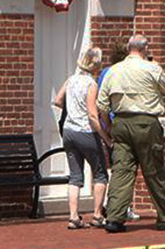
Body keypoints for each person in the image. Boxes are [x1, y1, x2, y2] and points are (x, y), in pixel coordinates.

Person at [96, 35, 165, 232]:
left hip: (121, 122)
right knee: (154, 170)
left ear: (128, 48)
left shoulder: (114, 70)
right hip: (146, 122)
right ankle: (164, 216)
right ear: (145, 49)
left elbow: (102, 104)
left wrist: (108, 126)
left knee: (121, 170)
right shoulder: (151, 68)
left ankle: (114, 218)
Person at [55, 46, 111, 229]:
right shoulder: (91, 84)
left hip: (69, 131)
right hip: (86, 132)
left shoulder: (71, 80)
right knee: (101, 173)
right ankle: (96, 215)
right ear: (95, 65)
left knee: (75, 176)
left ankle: (73, 217)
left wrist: (71, 110)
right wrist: (106, 138)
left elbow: (57, 100)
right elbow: (93, 116)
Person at [96, 43, 140, 222]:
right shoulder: (125, 72)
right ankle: (122, 206)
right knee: (126, 168)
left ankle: (112, 203)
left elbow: (101, 100)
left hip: (108, 124)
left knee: (114, 165)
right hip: (123, 122)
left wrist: (106, 128)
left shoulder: (105, 73)